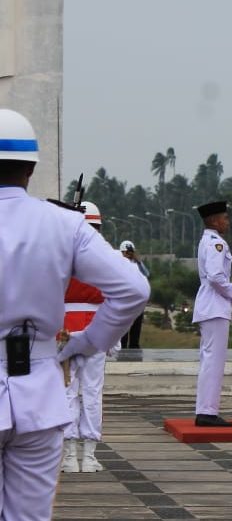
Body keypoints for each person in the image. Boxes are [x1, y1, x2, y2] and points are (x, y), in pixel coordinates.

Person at [0, 108, 149, 519]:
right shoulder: (65, 224)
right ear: (31, 168)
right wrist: (90, 341)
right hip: (39, 387)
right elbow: (134, 288)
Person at [59, 201, 128, 474]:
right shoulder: (110, 256)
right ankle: (88, 456)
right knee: (92, 392)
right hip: (98, 329)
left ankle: (68, 456)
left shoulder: (61, 254)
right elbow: (119, 299)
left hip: (64, 330)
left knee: (67, 392)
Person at [192, 200, 232, 427]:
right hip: (214, 307)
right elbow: (215, 276)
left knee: (210, 360)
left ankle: (206, 410)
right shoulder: (216, 243)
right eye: (225, 218)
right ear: (214, 220)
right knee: (214, 361)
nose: (228, 221)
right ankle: (207, 412)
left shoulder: (208, 241)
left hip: (210, 306)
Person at [118, 240, 150, 349]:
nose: (128, 254)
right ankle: (122, 347)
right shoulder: (118, 263)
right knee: (124, 328)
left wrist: (138, 261)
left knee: (136, 326)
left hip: (137, 301)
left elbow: (146, 274)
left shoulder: (137, 264)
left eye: (130, 252)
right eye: (126, 252)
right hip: (124, 301)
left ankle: (134, 347)